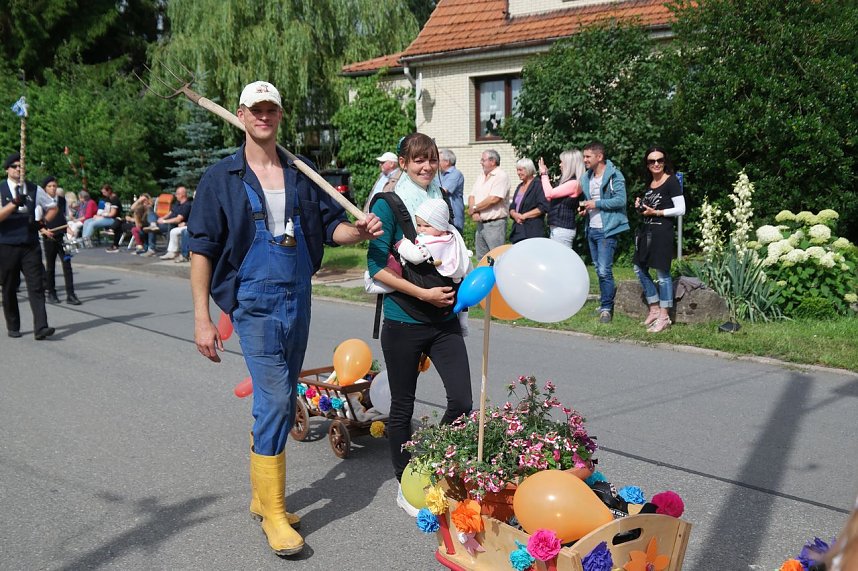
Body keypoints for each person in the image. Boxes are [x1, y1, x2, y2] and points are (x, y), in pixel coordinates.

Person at [187, 80, 382, 556]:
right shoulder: (221, 178)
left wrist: (358, 232)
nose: (263, 116)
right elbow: (201, 248)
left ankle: (261, 496)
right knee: (277, 400)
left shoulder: (301, 171)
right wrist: (202, 319)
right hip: (252, 302)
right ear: (240, 114)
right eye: (255, 109)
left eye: (270, 108)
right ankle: (274, 513)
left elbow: (331, 228)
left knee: (273, 400)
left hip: (298, 296)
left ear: (279, 114)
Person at [367, 132, 472, 517]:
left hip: (443, 320)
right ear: (403, 163)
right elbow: (376, 267)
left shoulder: (439, 198)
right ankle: (405, 482)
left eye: (431, 159)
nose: (426, 167)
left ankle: (431, 464)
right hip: (403, 320)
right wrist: (423, 294)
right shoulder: (387, 203)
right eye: (418, 160)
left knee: (462, 402)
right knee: (402, 406)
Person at [0, 152, 56, 339]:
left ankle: (41, 327)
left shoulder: (33, 188)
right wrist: (13, 204)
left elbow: (53, 207)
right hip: (7, 244)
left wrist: (42, 222)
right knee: (9, 286)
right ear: (7, 169)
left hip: (30, 244)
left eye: (21, 166)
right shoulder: (1, 189)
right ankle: (13, 325)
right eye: (14, 166)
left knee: (36, 285)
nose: (18, 169)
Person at [633, 147, 685, 333]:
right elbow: (649, 207)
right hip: (647, 232)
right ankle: (654, 308)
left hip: (662, 232)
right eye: (652, 161)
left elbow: (681, 209)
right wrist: (640, 206)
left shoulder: (671, 181)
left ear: (665, 162)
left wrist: (657, 212)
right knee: (638, 268)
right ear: (647, 165)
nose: (656, 164)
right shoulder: (650, 183)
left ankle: (664, 316)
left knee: (663, 275)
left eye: (660, 160)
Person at [578, 142, 629, 324]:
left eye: (587, 156)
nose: (584, 160)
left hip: (607, 230)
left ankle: (607, 308)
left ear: (599, 157)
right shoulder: (587, 177)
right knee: (599, 269)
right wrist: (586, 209)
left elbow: (621, 200)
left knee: (604, 270)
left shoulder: (614, 175)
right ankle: (604, 302)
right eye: (584, 156)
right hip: (592, 228)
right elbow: (591, 202)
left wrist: (596, 204)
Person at [39, 176, 81, 305]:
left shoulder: (62, 200)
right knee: (50, 266)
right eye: (49, 186)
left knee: (67, 265)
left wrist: (68, 229)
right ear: (45, 188)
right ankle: (51, 292)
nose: (52, 188)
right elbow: (38, 220)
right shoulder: (41, 201)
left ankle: (71, 294)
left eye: (54, 186)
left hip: (62, 237)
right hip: (49, 238)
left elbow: (63, 217)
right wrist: (44, 230)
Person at [469, 149, 510, 260]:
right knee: (482, 259)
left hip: (495, 224)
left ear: (492, 161)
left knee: (496, 258)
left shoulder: (501, 176)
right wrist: (474, 212)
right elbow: (472, 195)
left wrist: (474, 208)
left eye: (483, 160)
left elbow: (494, 198)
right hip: (481, 224)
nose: (481, 162)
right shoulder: (481, 176)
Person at [538, 150, 584, 249]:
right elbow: (550, 196)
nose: (560, 165)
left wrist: (544, 174)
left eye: (562, 162)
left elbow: (549, 194)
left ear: (570, 165)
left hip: (562, 229)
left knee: (561, 257)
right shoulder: (569, 182)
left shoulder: (573, 183)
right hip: (558, 228)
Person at [508, 158, 548, 244]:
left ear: (528, 169)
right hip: (518, 230)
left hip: (532, 230)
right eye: (517, 170)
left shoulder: (538, 185)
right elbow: (512, 206)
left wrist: (524, 216)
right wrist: (514, 214)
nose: (518, 173)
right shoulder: (519, 186)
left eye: (520, 170)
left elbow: (542, 207)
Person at [158, 186, 192, 260]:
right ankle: (153, 225)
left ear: (182, 194)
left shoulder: (187, 205)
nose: (175, 195)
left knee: (171, 230)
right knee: (152, 216)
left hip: (174, 224)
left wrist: (164, 221)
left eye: (177, 194)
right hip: (169, 222)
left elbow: (178, 219)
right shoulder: (177, 203)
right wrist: (162, 218)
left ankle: (172, 252)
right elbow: (170, 213)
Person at [439, 148, 465, 233]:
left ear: (447, 162)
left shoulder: (456, 174)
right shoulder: (439, 174)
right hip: (442, 219)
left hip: (454, 220)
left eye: (438, 160)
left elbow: (443, 191)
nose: (436, 163)